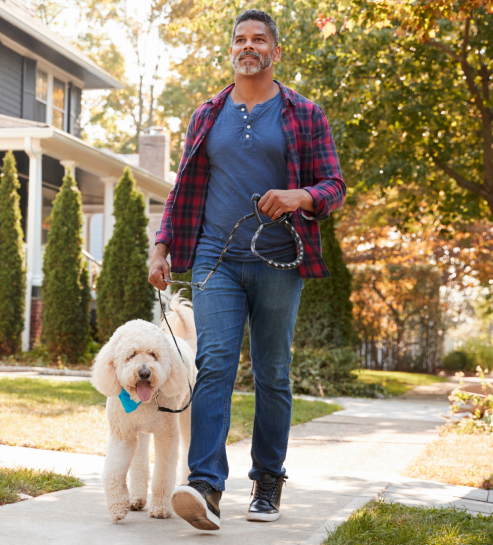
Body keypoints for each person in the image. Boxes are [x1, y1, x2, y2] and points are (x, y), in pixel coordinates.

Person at [148, 9, 345, 531]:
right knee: (213, 363)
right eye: (240, 39)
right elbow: (182, 189)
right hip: (216, 256)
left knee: (272, 371)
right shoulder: (206, 114)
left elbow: (333, 186)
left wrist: (299, 195)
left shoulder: (305, 113)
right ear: (231, 49)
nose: (248, 46)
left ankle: (268, 478)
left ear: (275, 52)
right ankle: (207, 486)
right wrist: (162, 246)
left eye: (259, 39)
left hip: (279, 259)